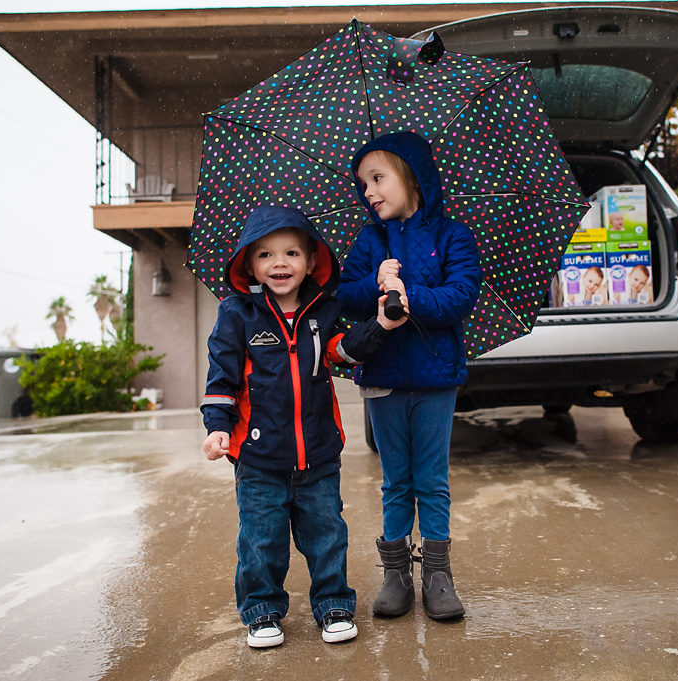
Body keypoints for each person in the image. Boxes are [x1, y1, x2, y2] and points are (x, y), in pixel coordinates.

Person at [201, 206, 407, 648]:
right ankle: (261, 611)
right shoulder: (237, 314)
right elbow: (222, 377)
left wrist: (383, 324)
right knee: (261, 541)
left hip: (317, 452)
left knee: (327, 534)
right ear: (249, 264)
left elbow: (342, 351)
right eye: (266, 255)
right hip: (257, 458)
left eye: (292, 252)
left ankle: (333, 603)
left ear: (312, 261)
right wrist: (218, 426)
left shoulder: (323, 309)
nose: (279, 263)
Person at [338, 131, 480, 621]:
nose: (369, 192)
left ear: (412, 178)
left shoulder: (452, 236)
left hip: (437, 378)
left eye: (377, 178)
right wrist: (376, 279)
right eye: (363, 184)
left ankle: (438, 575)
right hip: (382, 376)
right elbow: (344, 296)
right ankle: (395, 574)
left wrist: (409, 292)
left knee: (432, 480)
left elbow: (459, 298)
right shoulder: (369, 239)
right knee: (396, 480)